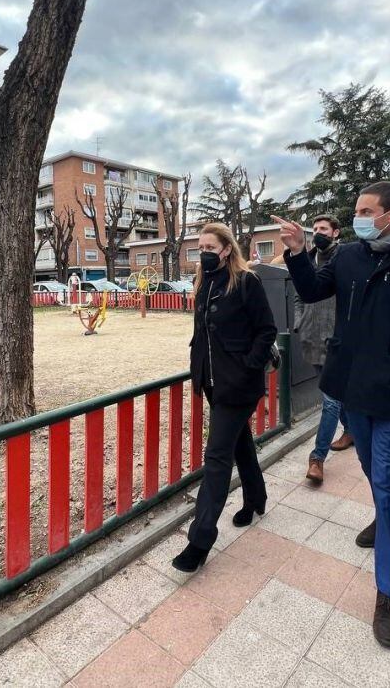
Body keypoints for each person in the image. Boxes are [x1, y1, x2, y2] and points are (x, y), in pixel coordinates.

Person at [275, 181, 390, 647]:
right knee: (368, 468)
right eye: (357, 210)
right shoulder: (348, 256)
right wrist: (298, 251)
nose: (357, 216)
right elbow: (314, 291)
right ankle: (382, 515)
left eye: (365, 210)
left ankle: (387, 592)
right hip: (350, 386)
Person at [172, 223, 278, 573]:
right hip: (214, 382)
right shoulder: (204, 282)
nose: (203, 251)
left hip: (240, 384)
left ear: (226, 249)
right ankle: (256, 498)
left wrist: (249, 366)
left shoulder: (246, 282)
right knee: (239, 442)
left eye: (209, 246)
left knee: (217, 455)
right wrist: (198, 371)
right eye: (199, 245)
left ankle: (200, 540)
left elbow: (266, 330)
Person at [295, 214, 350, 484]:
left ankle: (317, 458)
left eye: (324, 229)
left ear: (336, 232)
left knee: (329, 399)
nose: (318, 233)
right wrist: (299, 323)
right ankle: (350, 430)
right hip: (311, 337)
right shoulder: (307, 260)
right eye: (315, 229)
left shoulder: (345, 259)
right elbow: (299, 294)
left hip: (336, 341)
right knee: (335, 395)